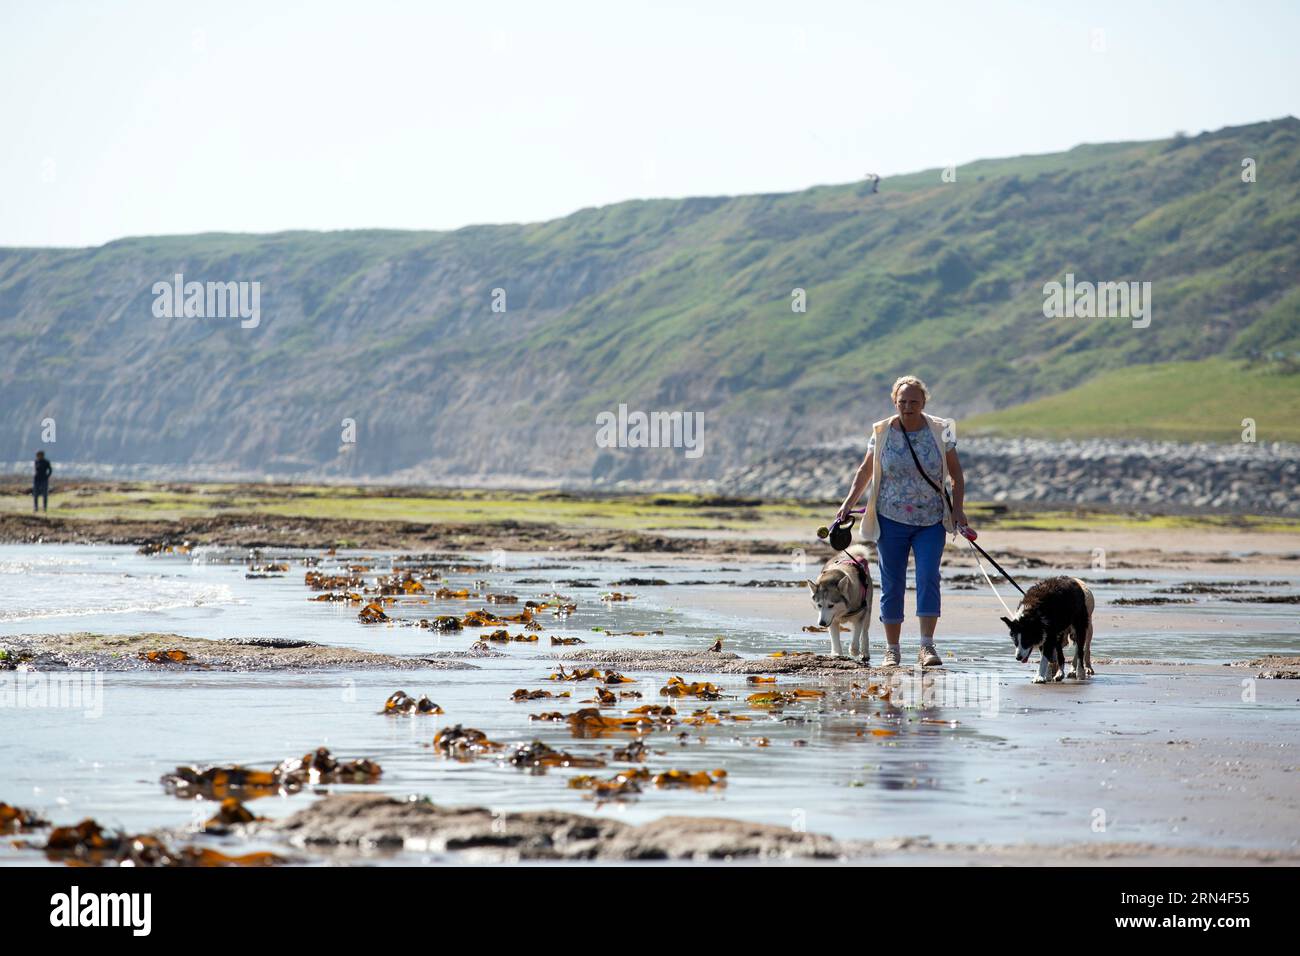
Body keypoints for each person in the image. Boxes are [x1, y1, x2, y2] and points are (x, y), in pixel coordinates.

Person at [835, 376, 967, 667]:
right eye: (903, 402)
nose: (908, 407)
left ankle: (926, 647)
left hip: (931, 519)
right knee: (893, 584)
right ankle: (892, 650)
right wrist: (848, 503)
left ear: (923, 403)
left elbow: (956, 476)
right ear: (895, 401)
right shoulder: (882, 431)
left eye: (914, 402)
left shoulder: (941, 430)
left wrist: (958, 511)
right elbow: (865, 471)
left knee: (928, 577)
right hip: (890, 518)